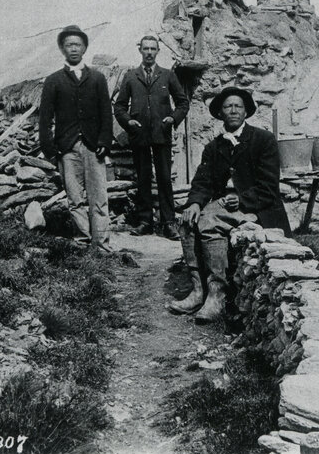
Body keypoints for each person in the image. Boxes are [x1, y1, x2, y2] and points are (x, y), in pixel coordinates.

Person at [168, 87, 292, 321]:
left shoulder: (263, 140)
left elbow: (269, 187)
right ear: (220, 114)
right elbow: (202, 182)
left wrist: (242, 199)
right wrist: (194, 203)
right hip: (226, 206)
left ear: (246, 112)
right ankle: (198, 291)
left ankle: (218, 294)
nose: (233, 110)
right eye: (228, 107)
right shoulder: (214, 147)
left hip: (258, 208)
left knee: (209, 220)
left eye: (238, 106)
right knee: (186, 221)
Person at [39, 24, 113, 252]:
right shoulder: (53, 81)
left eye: (78, 44)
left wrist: (104, 142)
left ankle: (101, 245)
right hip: (67, 149)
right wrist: (51, 149)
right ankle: (82, 243)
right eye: (69, 44)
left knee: (99, 198)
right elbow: (45, 118)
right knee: (75, 199)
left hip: (93, 148)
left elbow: (106, 114)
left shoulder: (98, 79)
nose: (73, 49)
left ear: (84, 48)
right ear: (62, 48)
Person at [113, 35, 190, 239]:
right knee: (143, 178)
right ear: (140, 50)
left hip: (161, 134)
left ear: (158, 51)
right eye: (145, 49)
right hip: (139, 135)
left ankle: (168, 223)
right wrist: (128, 122)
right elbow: (119, 106)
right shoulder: (131, 76)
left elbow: (183, 103)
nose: (149, 52)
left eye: (152, 49)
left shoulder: (167, 75)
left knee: (165, 179)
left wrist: (173, 119)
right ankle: (145, 221)